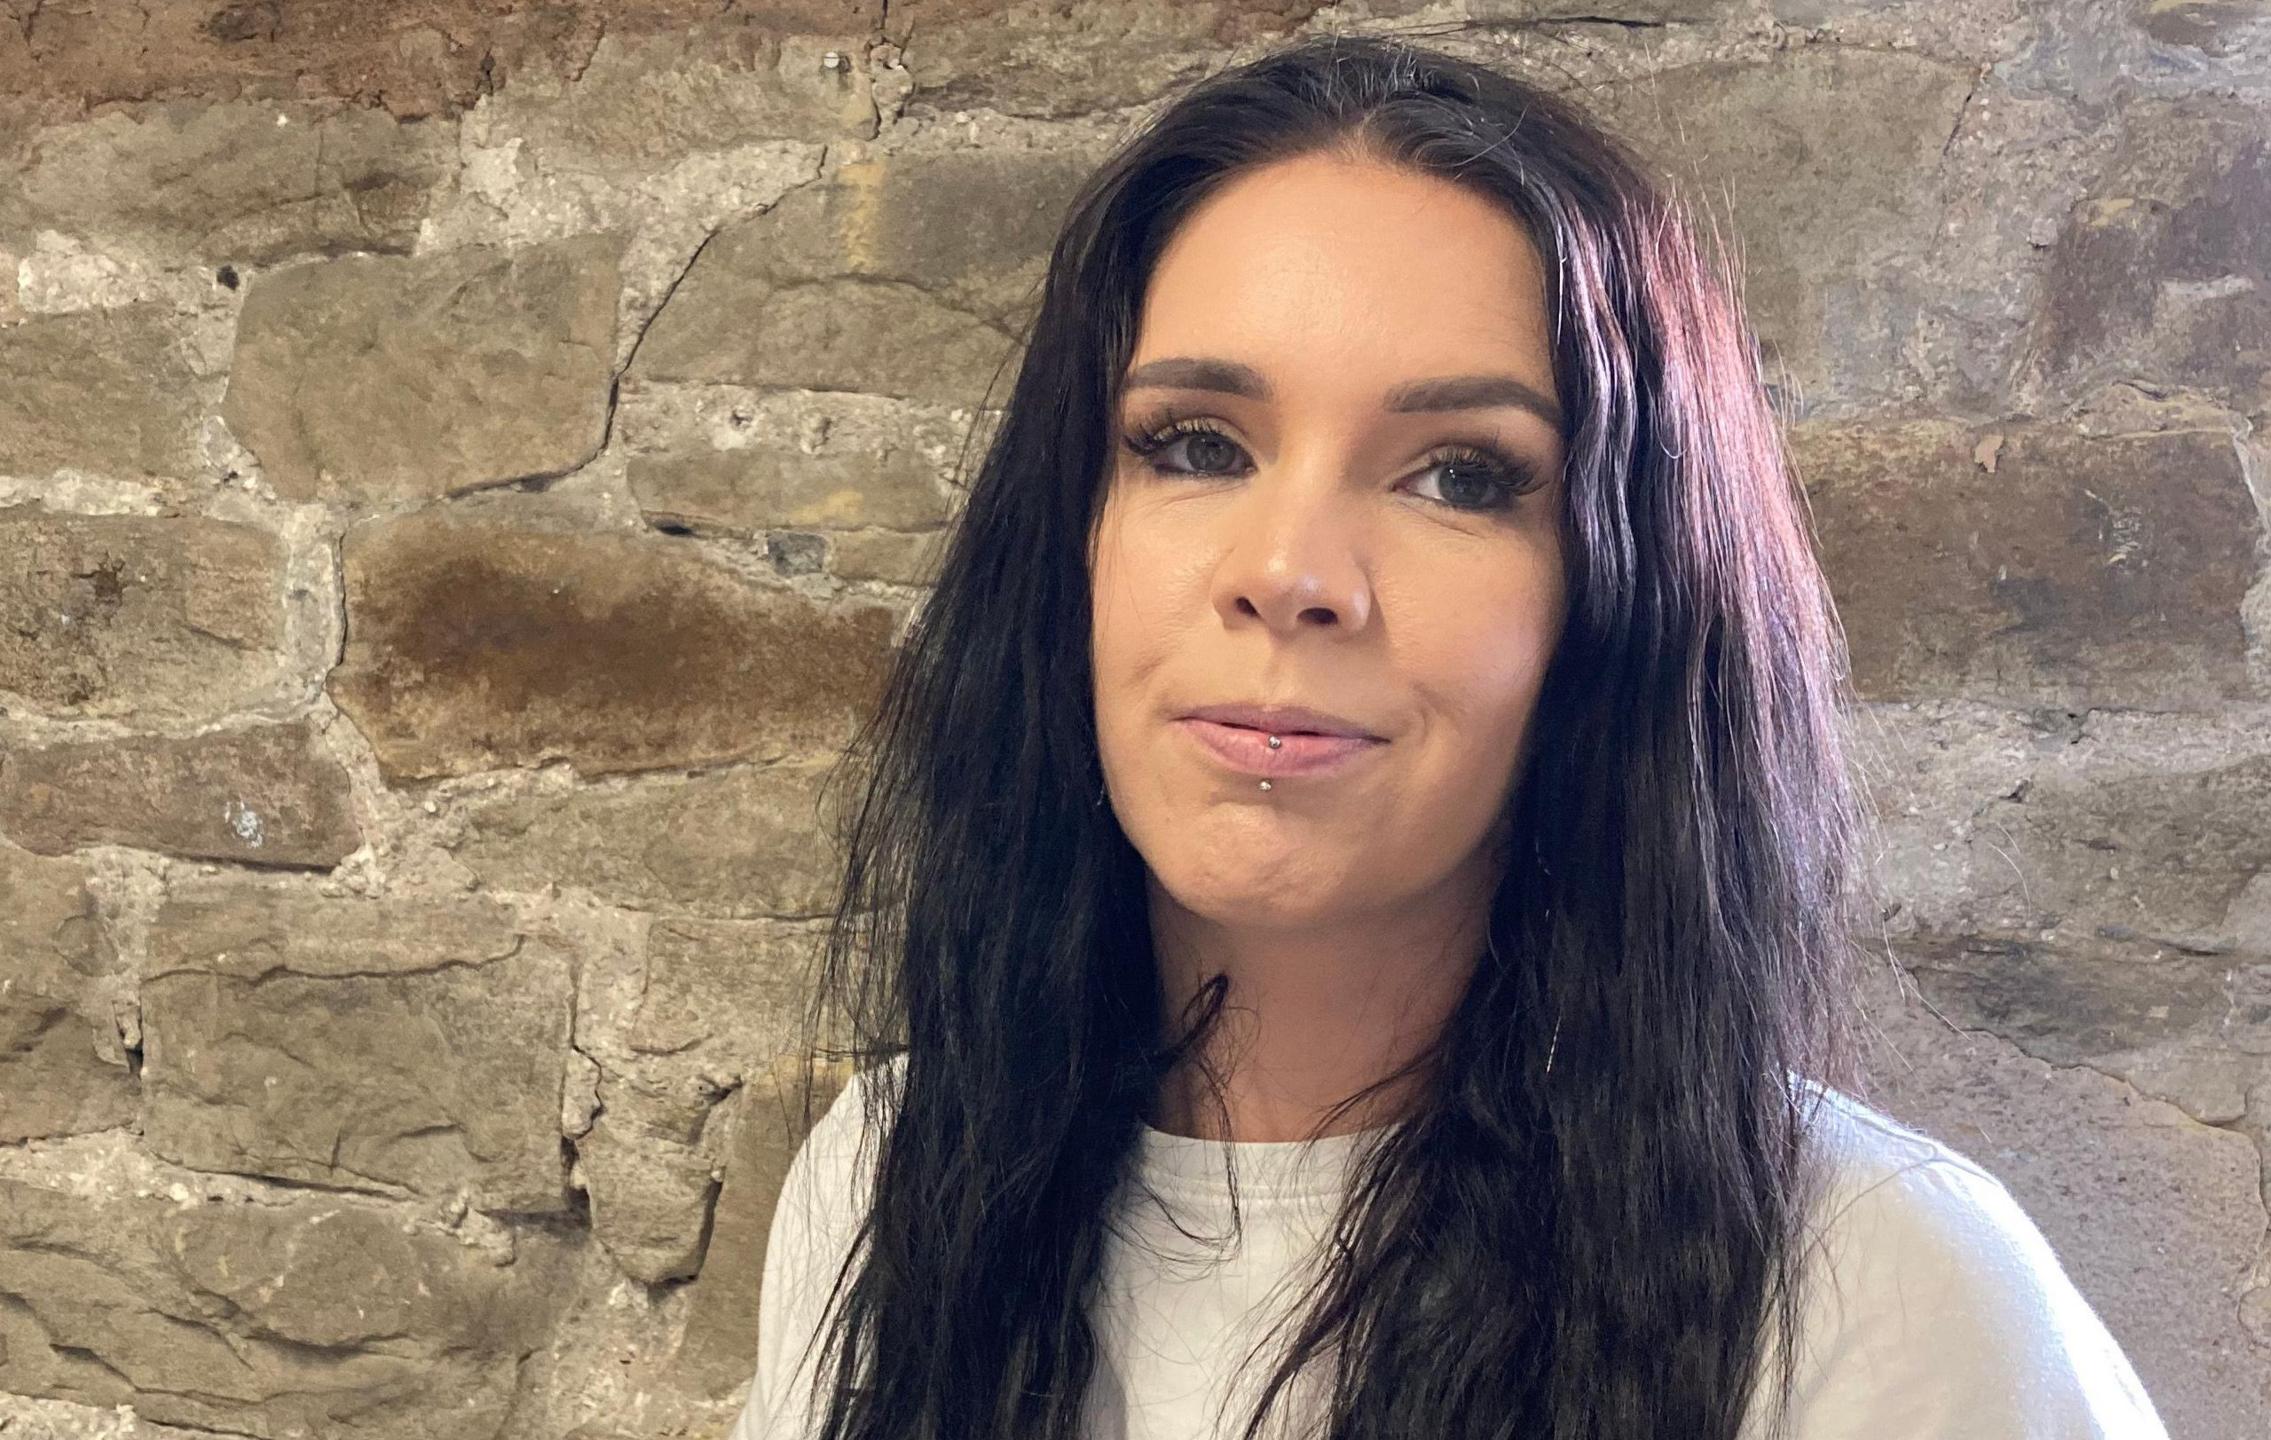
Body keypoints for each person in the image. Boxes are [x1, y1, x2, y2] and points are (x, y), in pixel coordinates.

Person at [729, 29, 2174, 1440]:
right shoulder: (885, 1180)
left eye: (1462, 478)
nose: (1289, 571)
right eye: (1193, 446)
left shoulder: (1882, 1296)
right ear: (1073, 541)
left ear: (1618, 599)